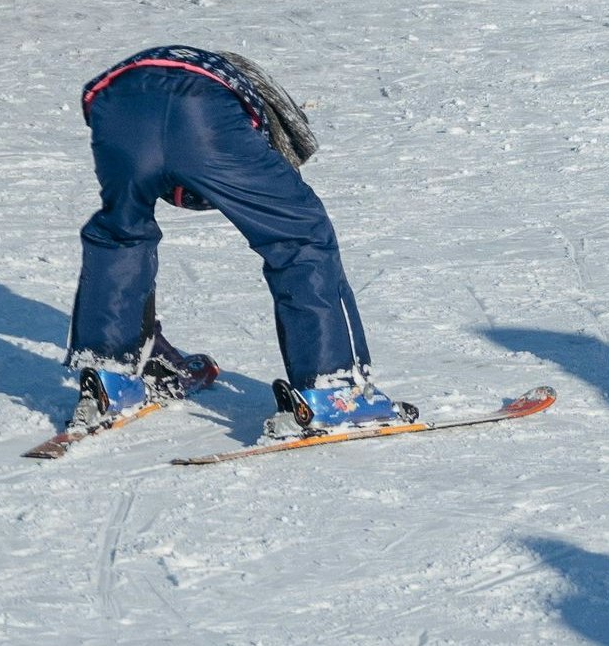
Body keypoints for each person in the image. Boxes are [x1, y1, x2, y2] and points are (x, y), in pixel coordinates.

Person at [66, 45, 404, 442]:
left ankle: (112, 375)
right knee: (299, 233)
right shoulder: (258, 114)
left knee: (121, 235)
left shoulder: (229, 79)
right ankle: (335, 391)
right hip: (198, 105)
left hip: (114, 102)